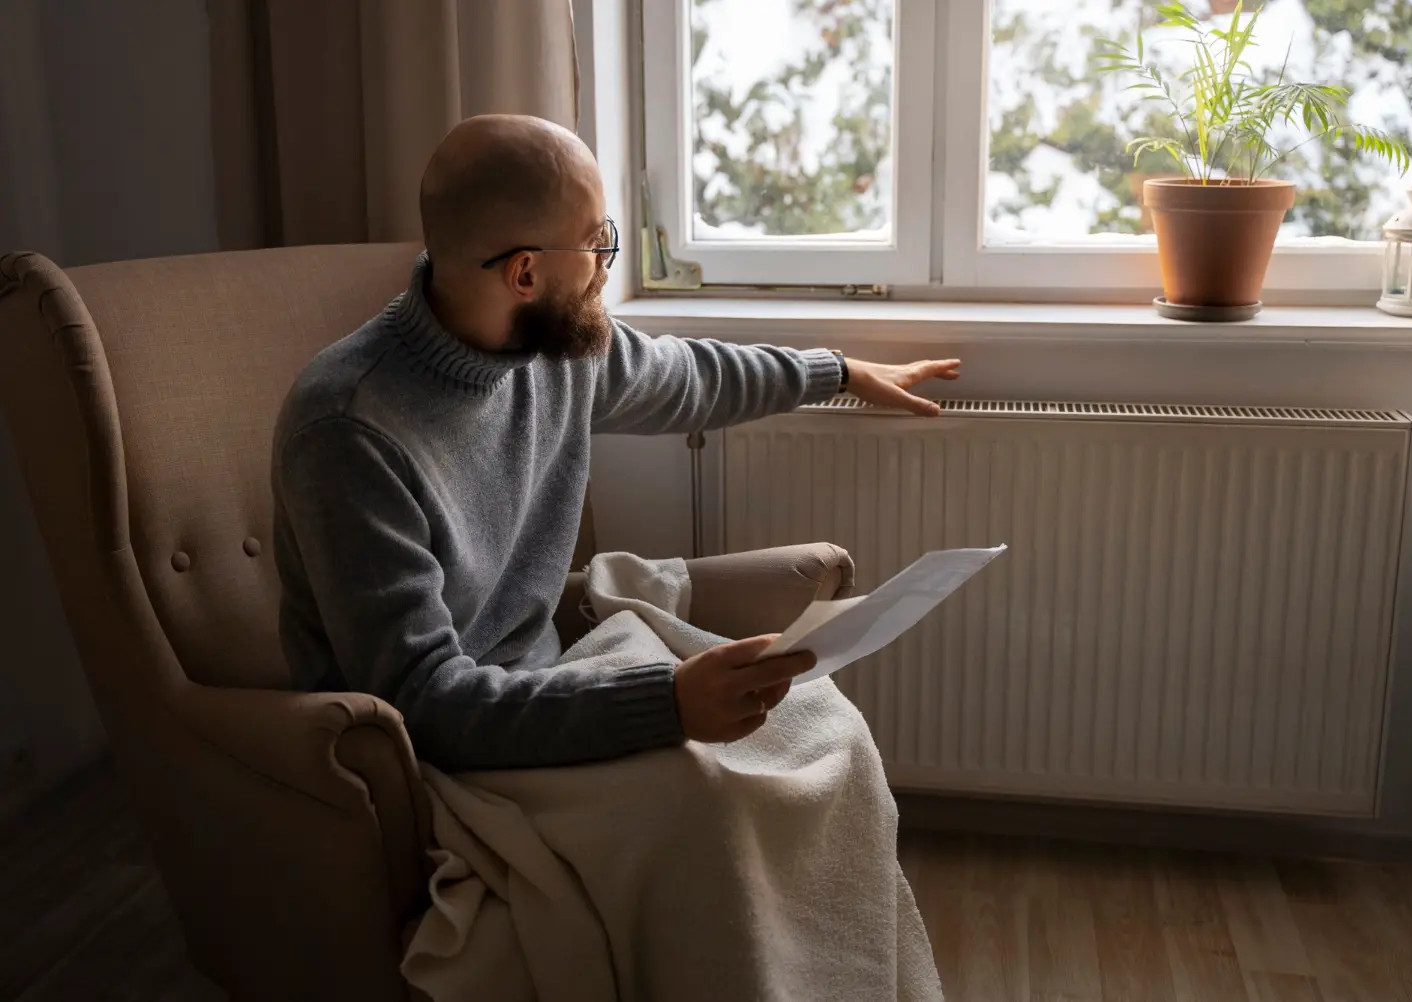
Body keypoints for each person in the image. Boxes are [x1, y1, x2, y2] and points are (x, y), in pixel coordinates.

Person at [271, 114, 961, 773]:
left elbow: (691, 376)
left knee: (822, 734)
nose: (606, 266)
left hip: (546, 681)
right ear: (525, 274)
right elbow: (420, 700)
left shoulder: (552, 349)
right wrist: (665, 704)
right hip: (438, 754)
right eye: (597, 241)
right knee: (726, 795)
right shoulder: (348, 432)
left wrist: (836, 371)